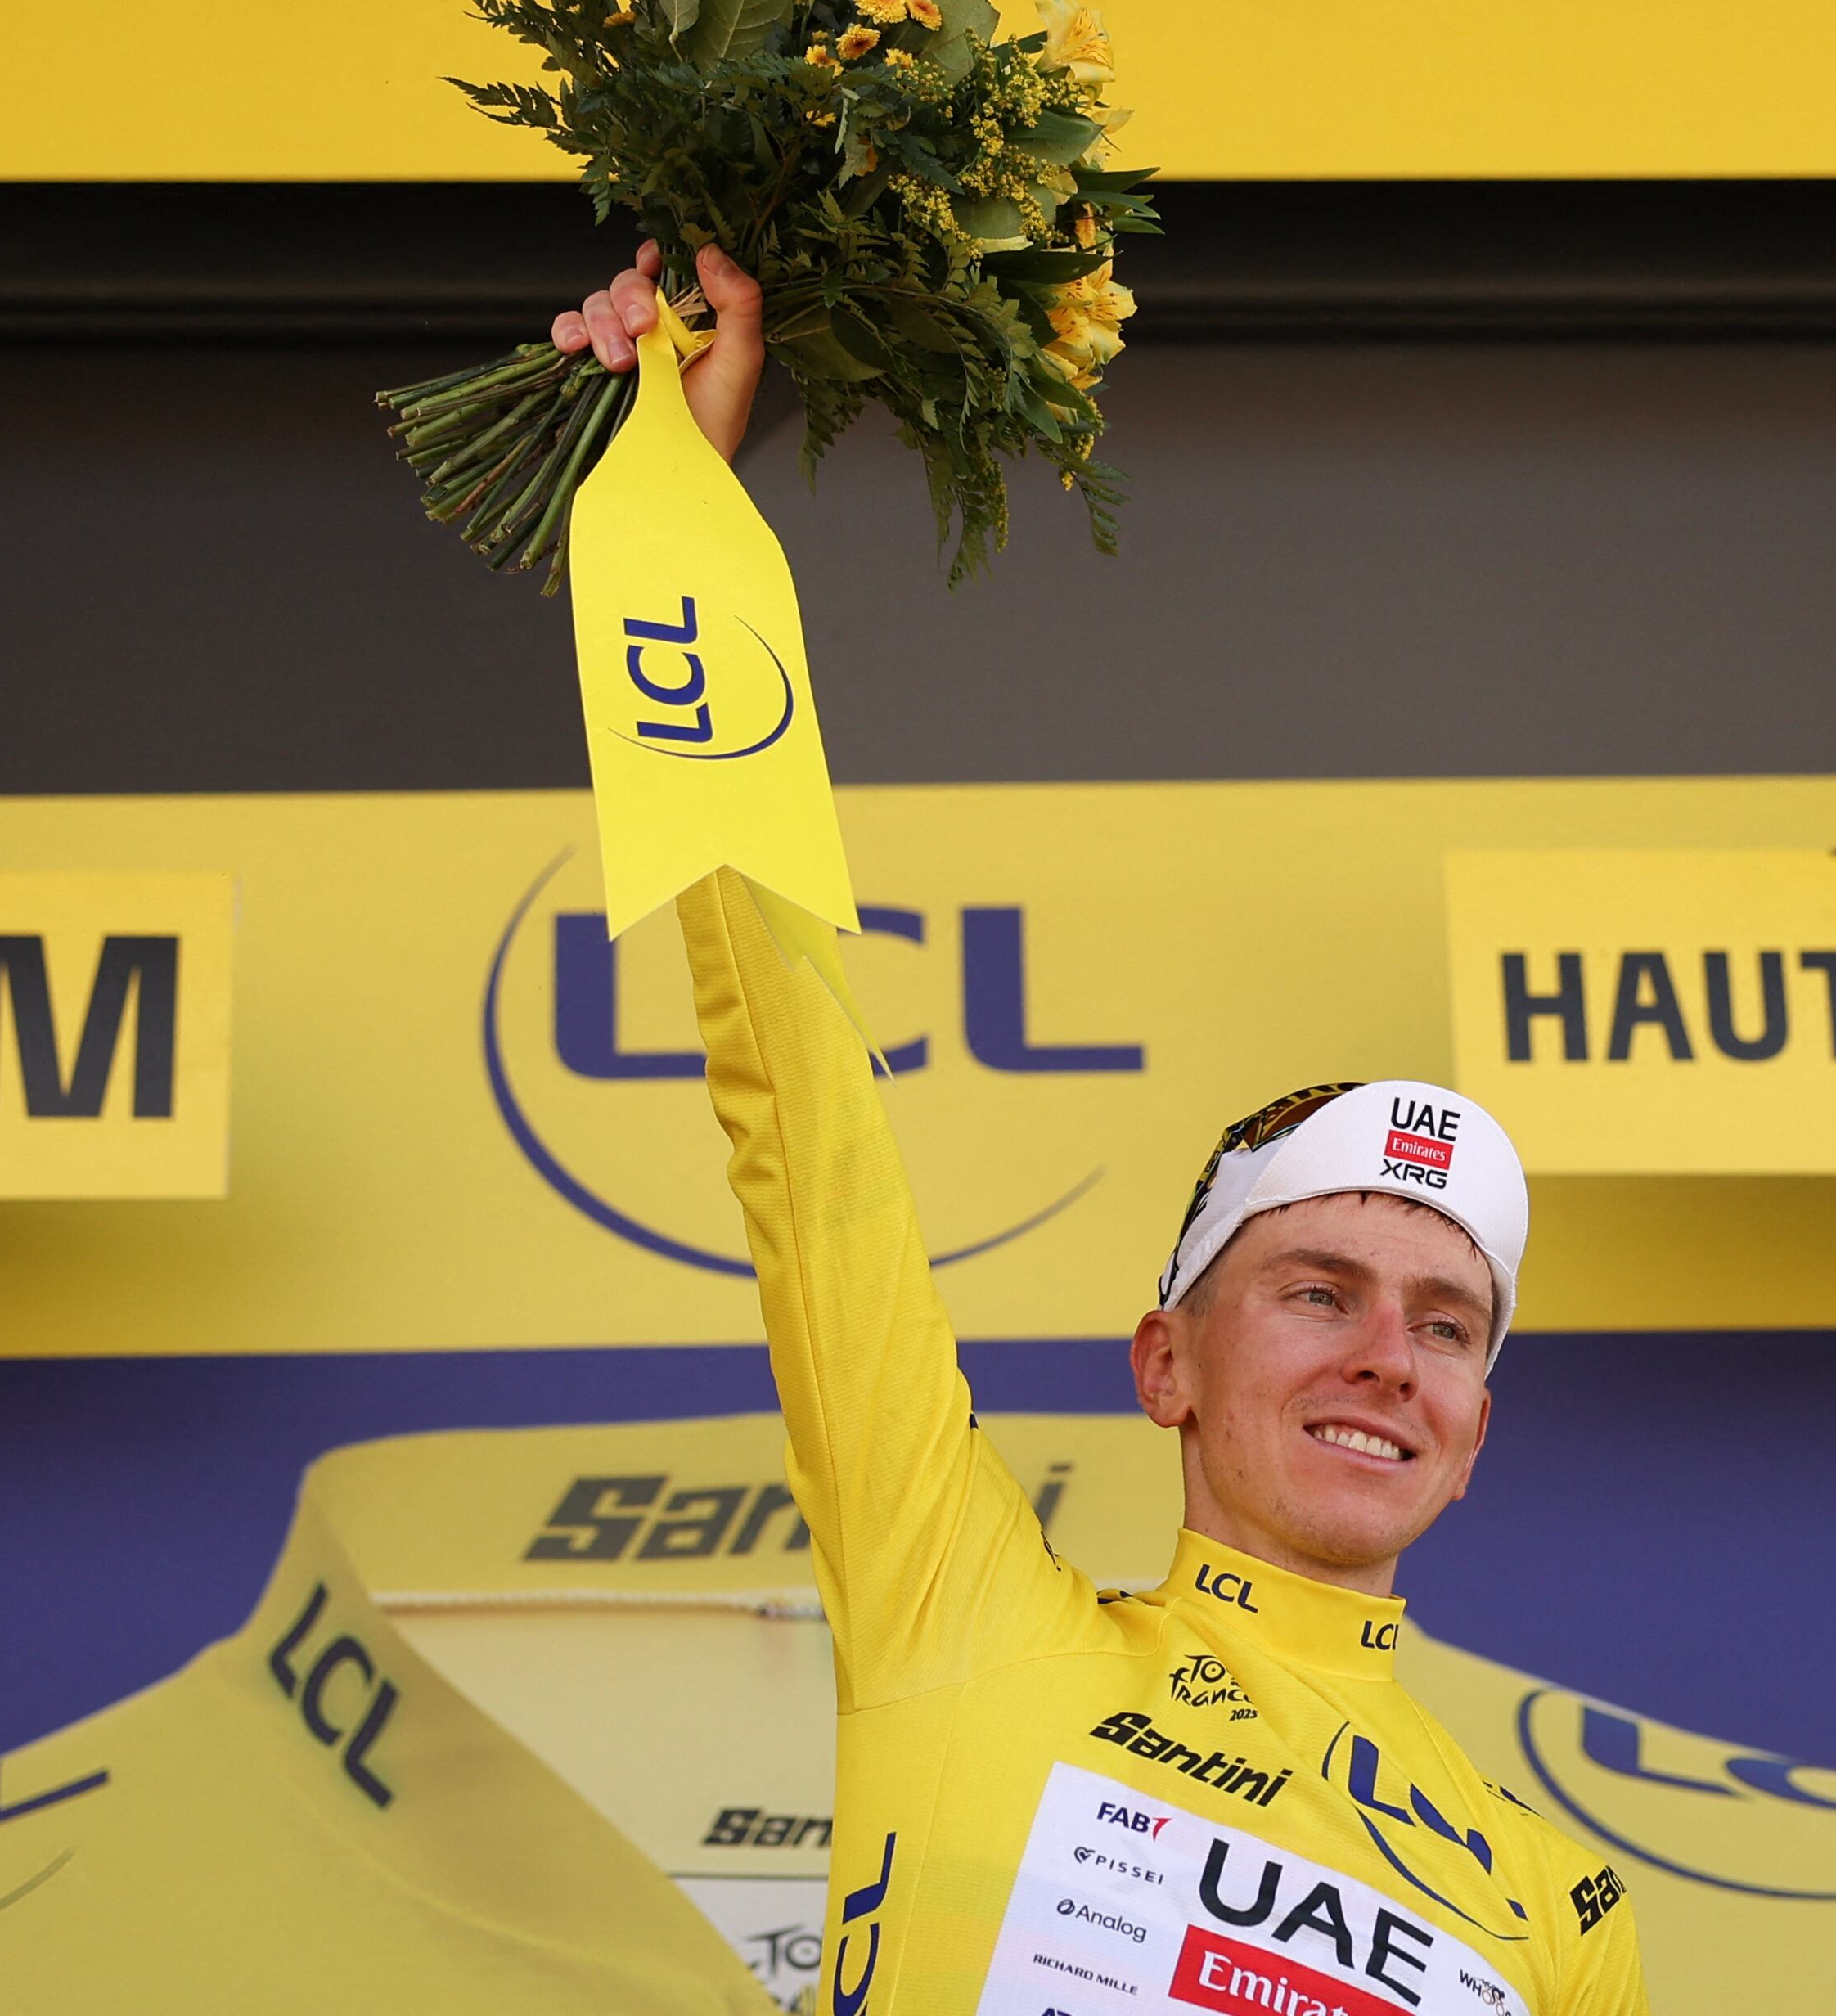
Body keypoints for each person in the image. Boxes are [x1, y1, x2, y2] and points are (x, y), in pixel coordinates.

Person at [559, 246, 1650, 2016]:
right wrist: (676, 520)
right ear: (1165, 1364)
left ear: (1473, 1433)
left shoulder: (1560, 1904)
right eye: (1318, 1290)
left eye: (1448, 1325)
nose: (1390, 1357)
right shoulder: (961, 1612)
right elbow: (801, 1105)